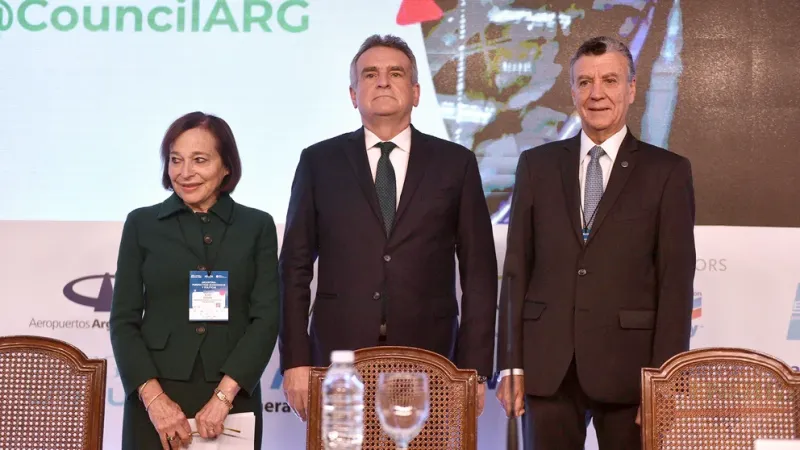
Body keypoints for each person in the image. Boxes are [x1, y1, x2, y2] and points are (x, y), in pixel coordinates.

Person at [279, 34, 498, 422]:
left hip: (431, 358)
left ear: (415, 92)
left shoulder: (456, 163)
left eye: (395, 73)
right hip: (338, 358)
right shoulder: (318, 162)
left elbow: (479, 271)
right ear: (353, 94)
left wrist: (475, 369)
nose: (382, 81)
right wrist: (295, 360)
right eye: (370, 74)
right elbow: (293, 268)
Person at [495, 36, 696, 450]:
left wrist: (664, 379)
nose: (597, 93)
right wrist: (510, 363)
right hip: (547, 368)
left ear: (632, 88)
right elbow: (516, 270)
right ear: (572, 91)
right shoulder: (537, 166)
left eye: (609, 80)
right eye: (585, 82)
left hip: (630, 372)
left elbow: (675, 283)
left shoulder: (668, 172)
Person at [109, 112, 280, 449]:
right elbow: (123, 320)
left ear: (227, 165)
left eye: (199, 160)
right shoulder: (141, 224)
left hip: (232, 395)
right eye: (175, 160)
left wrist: (223, 397)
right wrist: (155, 400)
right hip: (155, 396)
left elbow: (266, 317)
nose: (184, 173)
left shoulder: (257, 226)